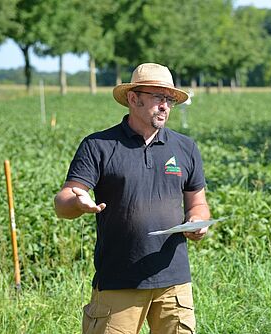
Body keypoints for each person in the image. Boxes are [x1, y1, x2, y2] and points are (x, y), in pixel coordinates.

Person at [54, 63, 210, 334]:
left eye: (170, 99)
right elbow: (63, 201)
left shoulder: (186, 147)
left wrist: (198, 221)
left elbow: (198, 202)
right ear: (133, 98)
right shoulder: (99, 145)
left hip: (173, 283)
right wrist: (78, 204)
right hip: (119, 281)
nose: (165, 106)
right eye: (158, 97)